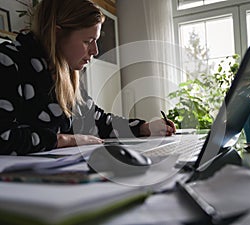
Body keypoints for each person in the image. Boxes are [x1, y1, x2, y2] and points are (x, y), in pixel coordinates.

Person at [0, 0, 175, 155]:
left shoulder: (65, 71)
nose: (95, 51)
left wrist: (143, 128)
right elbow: (3, 136)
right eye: (87, 41)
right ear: (57, 34)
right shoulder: (8, 61)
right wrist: (67, 140)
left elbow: (97, 120)